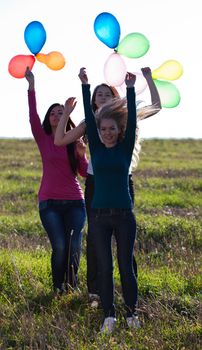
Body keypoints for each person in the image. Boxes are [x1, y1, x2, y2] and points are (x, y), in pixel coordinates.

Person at [54, 67, 161, 307]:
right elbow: (60, 140)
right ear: (92, 100)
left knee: (126, 242)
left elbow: (155, 106)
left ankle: (128, 291)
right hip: (96, 184)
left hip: (123, 183)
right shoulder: (89, 123)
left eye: (106, 93)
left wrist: (150, 80)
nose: (102, 97)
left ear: (115, 97)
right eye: (98, 94)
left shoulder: (124, 118)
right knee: (96, 239)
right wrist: (66, 114)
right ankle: (96, 292)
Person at [77, 67, 143, 333]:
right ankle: (109, 316)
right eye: (103, 129)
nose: (106, 132)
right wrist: (85, 85)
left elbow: (134, 120)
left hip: (125, 217)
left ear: (119, 130)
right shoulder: (96, 144)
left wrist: (129, 88)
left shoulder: (125, 150)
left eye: (111, 129)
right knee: (105, 267)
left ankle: (131, 314)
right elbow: (90, 122)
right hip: (100, 217)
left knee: (126, 267)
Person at [24, 67, 88, 296]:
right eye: (53, 113)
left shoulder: (74, 141)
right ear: (48, 119)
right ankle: (57, 287)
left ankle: (72, 287)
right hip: (49, 203)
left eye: (61, 112)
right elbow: (32, 115)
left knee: (74, 247)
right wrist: (31, 86)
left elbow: (83, 173)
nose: (57, 115)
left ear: (67, 117)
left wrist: (81, 154)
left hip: (75, 203)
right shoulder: (44, 138)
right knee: (60, 246)